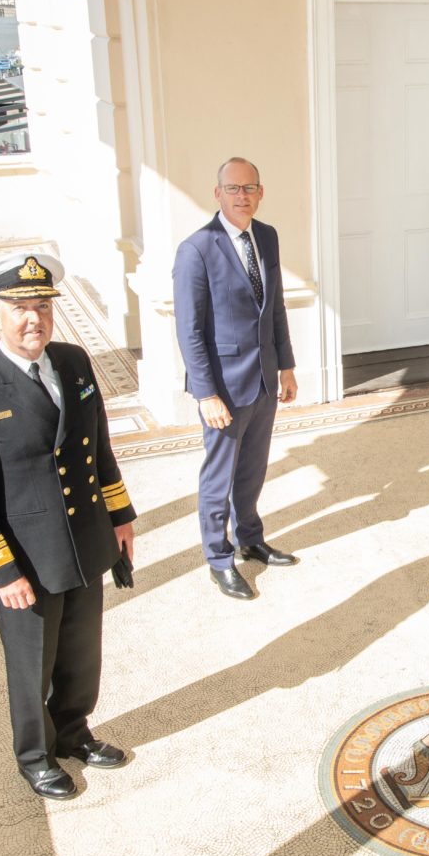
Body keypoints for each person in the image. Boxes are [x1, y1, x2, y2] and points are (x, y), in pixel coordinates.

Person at [0, 252, 137, 800]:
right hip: (28, 558)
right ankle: (34, 755)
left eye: (43, 307)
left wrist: (120, 517)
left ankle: (73, 732)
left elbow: (98, 447)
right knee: (32, 665)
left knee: (80, 651)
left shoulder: (73, 362)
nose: (35, 320)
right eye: (21, 308)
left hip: (85, 541)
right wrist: (2, 572)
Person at [173, 157, 299, 602]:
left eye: (249, 188)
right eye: (233, 188)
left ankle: (251, 539)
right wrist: (206, 392)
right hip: (223, 386)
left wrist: (286, 365)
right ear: (217, 193)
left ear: (260, 193)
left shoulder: (267, 236)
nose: (241, 196)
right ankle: (218, 558)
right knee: (219, 475)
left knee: (253, 468)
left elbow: (275, 307)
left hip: (264, 379)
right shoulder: (197, 249)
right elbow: (189, 330)